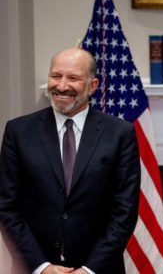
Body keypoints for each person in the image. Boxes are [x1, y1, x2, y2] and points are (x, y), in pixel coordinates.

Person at [0, 48, 141, 273]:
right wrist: (42, 266)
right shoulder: (18, 132)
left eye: (73, 78)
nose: (62, 86)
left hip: (99, 269)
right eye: (56, 76)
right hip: (34, 268)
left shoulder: (120, 134)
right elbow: (7, 207)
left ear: (92, 86)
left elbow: (124, 211)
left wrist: (89, 269)